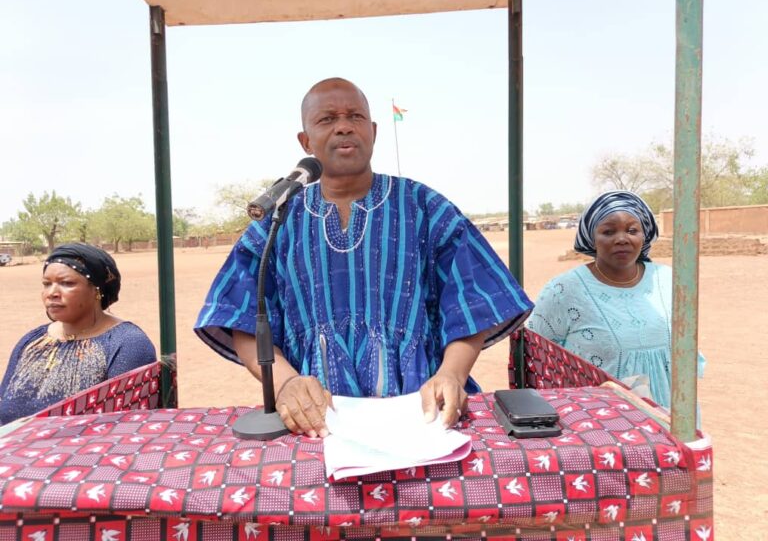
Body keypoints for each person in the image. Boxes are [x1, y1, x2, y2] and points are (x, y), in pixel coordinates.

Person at [195, 77, 533, 437]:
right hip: (316, 419)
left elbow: (473, 303)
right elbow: (239, 317)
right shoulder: (279, 219)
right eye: (327, 119)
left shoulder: (424, 207)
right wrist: (285, 384)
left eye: (355, 116)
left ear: (372, 131)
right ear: (305, 141)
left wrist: (452, 374)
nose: (344, 126)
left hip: (422, 414)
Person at [526, 191, 705, 408]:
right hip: (600, 423)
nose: (622, 239)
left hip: (672, 415)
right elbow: (533, 354)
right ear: (592, 237)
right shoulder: (564, 290)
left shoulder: (669, 280)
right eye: (609, 231)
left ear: (644, 235)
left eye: (632, 230)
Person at [0, 243, 157, 424]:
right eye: (46, 284)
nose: (52, 293)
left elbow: (125, 428)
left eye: (67, 283)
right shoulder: (32, 341)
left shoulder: (126, 344)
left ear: (97, 290)